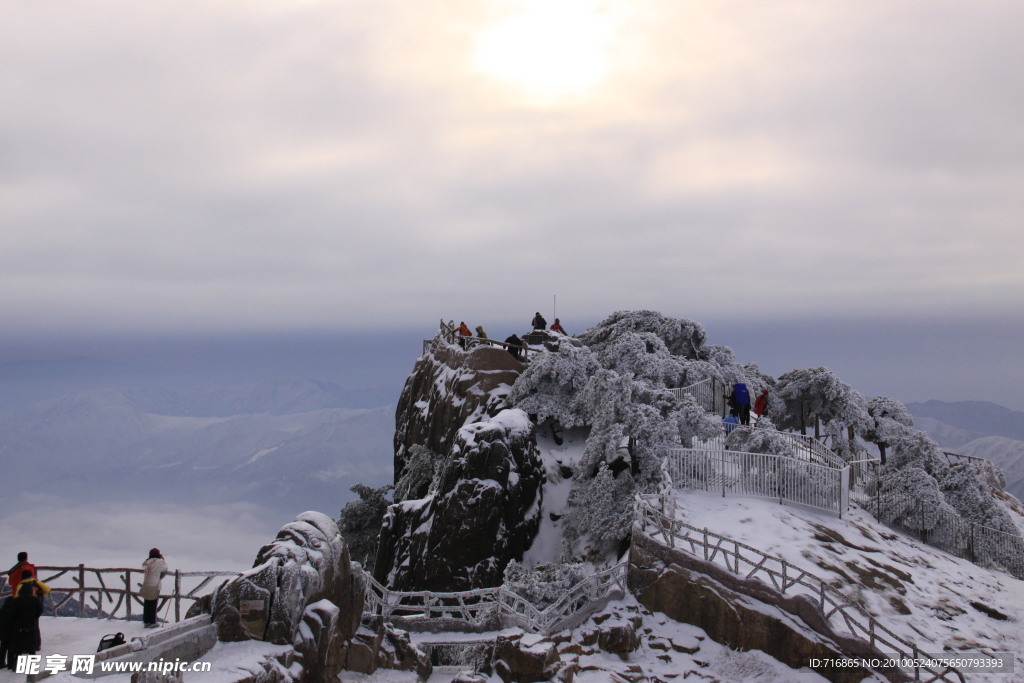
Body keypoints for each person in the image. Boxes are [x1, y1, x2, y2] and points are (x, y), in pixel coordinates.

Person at [8, 583, 42, 668]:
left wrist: (15, 620)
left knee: (18, 648)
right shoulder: (35, 600)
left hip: (19, 625)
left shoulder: (16, 600)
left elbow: (12, 613)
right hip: (31, 624)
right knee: (31, 648)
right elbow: (40, 610)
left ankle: (16, 665)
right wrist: (34, 616)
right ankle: (32, 665)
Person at [140, 548, 169, 628]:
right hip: (155, 584)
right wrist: (163, 559)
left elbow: (143, 566)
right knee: (153, 603)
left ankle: (146, 621)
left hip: (146, 584)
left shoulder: (147, 562)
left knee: (147, 603)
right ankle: (153, 622)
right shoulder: (160, 562)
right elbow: (165, 568)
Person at [0, 596, 13, 670]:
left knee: (3, 648)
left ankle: (1, 663)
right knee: (11, 648)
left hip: (2, 632)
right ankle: (10, 664)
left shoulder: (1, 611)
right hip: (11, 632)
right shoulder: (12, 612)